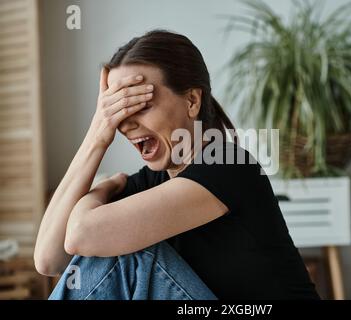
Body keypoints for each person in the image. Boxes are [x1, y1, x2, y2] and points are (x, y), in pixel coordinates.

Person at [34, 29, 320, 300]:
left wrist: (102, 190)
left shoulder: (228, 165)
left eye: (140, 104)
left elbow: (81, 234)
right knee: (108, 240)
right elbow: (49, 258)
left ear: (192, 101)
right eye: (117, 109)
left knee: (127, 255)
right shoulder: (151, 182)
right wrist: (96, 136)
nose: (125, 123)